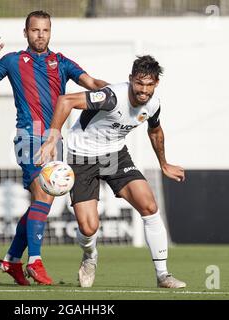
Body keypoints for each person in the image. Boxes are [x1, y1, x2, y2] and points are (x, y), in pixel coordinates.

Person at [0, 10, 108, 286]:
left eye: (45, 30)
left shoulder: (61, 62)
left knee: (41, 202)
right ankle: (34, 261)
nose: (40, 35)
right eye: (35, 30)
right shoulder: (12, 61)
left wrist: (117, 91)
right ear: (26, 32)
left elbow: (91, 84)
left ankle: (11, 259)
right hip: (28, 137)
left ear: (50, 32)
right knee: (44, 195)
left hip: (55, 141)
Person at [37, 55, 187, 288]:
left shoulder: (153, 104)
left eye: (149, 85)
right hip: (81, 156)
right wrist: (53, 136)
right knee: (89, 228)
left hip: (114, 156)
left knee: (149, 205)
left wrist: (164, 164)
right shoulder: (111, 96)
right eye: (139, 83)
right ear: (131, 80)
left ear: (156, 83)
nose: (143, 90)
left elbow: (155, 131)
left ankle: (163, 275)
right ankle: (90, 256)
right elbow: (65, 100)